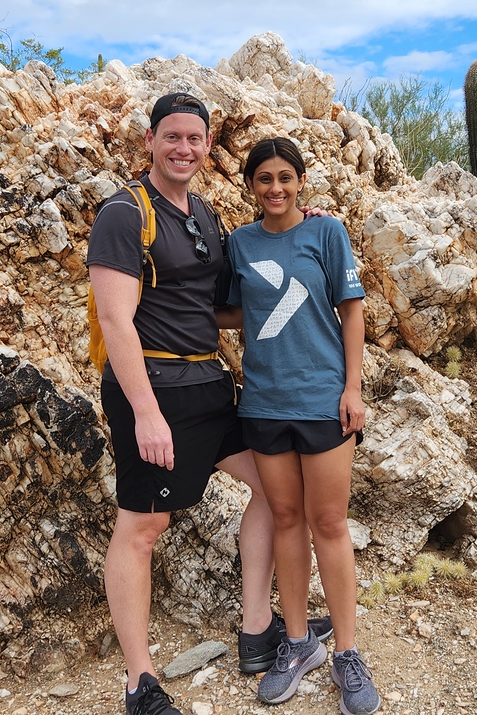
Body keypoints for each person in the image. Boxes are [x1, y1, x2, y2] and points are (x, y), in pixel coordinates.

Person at [87, 95, 327, 715]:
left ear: (206, 144)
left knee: (280, 494)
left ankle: (255, 631)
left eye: (194, 138)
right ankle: (140, 683)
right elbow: (115, 318)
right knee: (142, 527)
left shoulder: (203, 213)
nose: (183, 148)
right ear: (150, 140)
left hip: (211, 385)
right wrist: (144, 411)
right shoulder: (122, 213)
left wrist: (303, 231)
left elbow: (222, 302)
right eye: (172, 136)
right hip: (155, 389)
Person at [226, 136, 382, 714]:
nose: (275, 188)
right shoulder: (238, 244)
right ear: (251, 184)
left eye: (285, 177)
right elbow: (227, 307)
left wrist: (353, 387)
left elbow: (352, 309)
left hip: (323, 402)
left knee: (330, 523)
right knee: (285, 517)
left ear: (301, 181)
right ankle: (297, 644)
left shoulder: (326, 233)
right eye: (264, 178)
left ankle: (346, 653)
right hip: (264, 404)